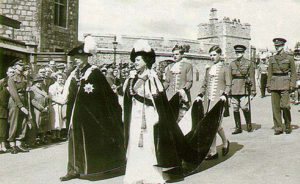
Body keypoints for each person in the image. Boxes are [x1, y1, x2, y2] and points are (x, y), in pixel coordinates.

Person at [59, 40, 126, 181]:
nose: (76, 60)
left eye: (79, 58)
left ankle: (88, 169)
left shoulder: (94, 73)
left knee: (88, 142)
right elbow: (69, 94)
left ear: (86, 57)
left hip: (90, 116)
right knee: (73, 141)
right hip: (75, 114)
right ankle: (72, 170)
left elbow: (105, 95)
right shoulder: (74, 74)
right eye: (75, 58)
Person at [196, 46, 230, 160]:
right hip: (208, 100)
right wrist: (200, 95)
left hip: (219, 100)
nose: (212, 57)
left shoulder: (226, 68)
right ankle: (214, 150)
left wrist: (225, 94)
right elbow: (204, 84)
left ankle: (224, 142)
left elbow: (229, 84)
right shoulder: (208, 69)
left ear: (220, 55)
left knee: (216, 124)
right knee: (211, 125)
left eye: (214, 55)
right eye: (211, 55)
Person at [266, 38, 296, 135]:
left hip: (285, 83)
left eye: (278, 46)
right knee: (275, 107)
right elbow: (269, 73)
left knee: (285, 106)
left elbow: (293, 73)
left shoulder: (289, 57)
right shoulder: (272, 58)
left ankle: (287, 124)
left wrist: (292, 84)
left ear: (283, 46)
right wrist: (268, 85)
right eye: (276, 46)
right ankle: (278, 127)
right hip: (274, 84)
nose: (277, 47)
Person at [228, 45, 256, 134]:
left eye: (239, 52)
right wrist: (228, 90)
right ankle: (238, 127)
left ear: (243, 53)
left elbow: (252, 77)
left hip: (244, 87)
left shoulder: (249, 63)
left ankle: (248, 124)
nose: (237, 54)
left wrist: (253, 90)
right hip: (234, 87)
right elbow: (229, 77)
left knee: (244, 107)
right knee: (235, 108)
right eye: (236, 52)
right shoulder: (232, 64)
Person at [163, 45, 193, 122]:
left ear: (182, 55)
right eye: (173, 54)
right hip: (171, 96)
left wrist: (183, 90)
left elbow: (189, 81)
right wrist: (161, 89)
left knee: (182, 118)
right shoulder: (170, 67)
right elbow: (167, 82)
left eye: (177, 54)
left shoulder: (188, 66)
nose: (175, 56)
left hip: (182, 96)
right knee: (170, 118)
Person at [7, 59, 30, 154]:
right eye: (20, 65)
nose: (22, 67)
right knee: (14, 123)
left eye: (22, 65)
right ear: (15, 67)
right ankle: (12, 144)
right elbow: (14, 93)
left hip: (23, 101)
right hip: (15, 103)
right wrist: (21, 106)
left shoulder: (24, 78)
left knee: (23, 123)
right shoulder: (11, 79)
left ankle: (19, 143)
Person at [30, 76, 50, 145]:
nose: (39, 83)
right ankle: (34, 140)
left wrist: (47, 106)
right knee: (37, 124)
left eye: (40, 82)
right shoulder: (32, 89)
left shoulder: (42, 89)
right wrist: (41, 108)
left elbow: (46, 97)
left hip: (45, 107)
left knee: (44, 123)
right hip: (37, 109)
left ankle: (42, 139)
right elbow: (33, 100)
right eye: (37, 82)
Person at [48, 73, 66, 142]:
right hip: (55, 105)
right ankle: (53, 136)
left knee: (60, 120)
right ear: (56, 79)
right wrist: (59, 101)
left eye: (61, 78)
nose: (60, 80)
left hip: (61, 104)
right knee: (55, 120)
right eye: (59, 78)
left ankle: (58, 136)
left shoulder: (63, 86)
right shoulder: (52, 87)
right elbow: (51, 96)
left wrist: (63, 101)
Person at [0, 67, 14, 153]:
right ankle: (2, 146)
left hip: (7, 110)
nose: (12, 74)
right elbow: (3, 100)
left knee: (5, 129)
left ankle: (4, 145)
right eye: (10, 72)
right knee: (2, 129)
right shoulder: (3, 84)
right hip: (3, 110)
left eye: (13, 72)